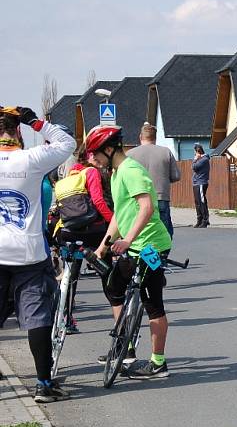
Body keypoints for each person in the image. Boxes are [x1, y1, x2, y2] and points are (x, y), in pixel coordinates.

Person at [0, 107, 76, 401]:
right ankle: (44, 384)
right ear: (18, 132)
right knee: (37, 319)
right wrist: (37, 122)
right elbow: (67, 144)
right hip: (28, 254)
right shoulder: (30, 159)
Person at [90, 125, 174, 378]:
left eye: (96, 153)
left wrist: (127, 239)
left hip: (151, 246)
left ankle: (158, 363)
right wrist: (103, 246)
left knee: (153, 303)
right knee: (114, 288)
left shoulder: (131, 170)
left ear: (108, 148)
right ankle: (124, 347)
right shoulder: (116, 173)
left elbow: (146, 208)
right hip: (132, 244)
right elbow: (120, 214)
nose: (93, 159)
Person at [53, 140, 115, 334]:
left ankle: (65, 317)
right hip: (92, 232)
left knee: (72, 274)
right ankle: (118, 316)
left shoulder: (71, 174)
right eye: (94, 155)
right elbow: (97, 201)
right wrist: (113, 222)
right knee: (107, 272)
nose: (98, 159)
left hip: (68, 232)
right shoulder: (92, 172)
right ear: (87, 156)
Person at [127, 123, 180, 238]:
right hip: (160, 197)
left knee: (140, 231)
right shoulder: (166, 152)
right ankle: (162, 254)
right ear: (155, 137)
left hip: (138, 198)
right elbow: (176, 176)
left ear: (140, 137)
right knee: (164, 231)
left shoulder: (130, 154)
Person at [191, 144, 211, 228]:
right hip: (196, 183)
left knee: (202, 202)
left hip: (201, 183)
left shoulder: (204, 159)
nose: (194, 155)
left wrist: (195, 159)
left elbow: (194, 167)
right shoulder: (201, 159)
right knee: (197, 202)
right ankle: (199, 219)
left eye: (195, 152)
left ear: (198, 151)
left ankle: (205, 220)